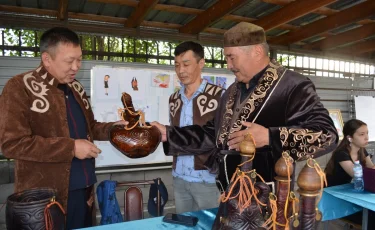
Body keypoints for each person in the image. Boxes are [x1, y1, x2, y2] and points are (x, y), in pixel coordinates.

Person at [152, 22, 338, 195]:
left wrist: (269, 137)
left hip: (270, 198)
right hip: (230, 194)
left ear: (257, 52)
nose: (229, 65)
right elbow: (213, 135)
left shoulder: (292, 85)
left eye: (232, 58)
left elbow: (327, 135)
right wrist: (169, 134)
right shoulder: (231, 92)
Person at [0, 27, 126, 229]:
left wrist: (114, 129)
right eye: (69, 61)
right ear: (47, 59)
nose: (76, 67)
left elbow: (90, 127)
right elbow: (12, 144)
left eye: (79, 59)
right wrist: (71, 148)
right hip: (45, 197)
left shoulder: (76, 88)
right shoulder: (20, 87)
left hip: (84, 190)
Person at [168, 41, 223, 213]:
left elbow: (219, 138)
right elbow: (175, 135)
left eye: (186, 64)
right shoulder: (174, 99)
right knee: (184, 226)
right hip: (179, 178)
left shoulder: (219, 96)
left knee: (209, 225)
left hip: (207, 179)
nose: (180, 70)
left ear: (201, 63)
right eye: (177, 65)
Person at [325, 119, 374, 229]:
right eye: (362, 134)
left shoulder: (362, 150)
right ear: (349, 137)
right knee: (372, 215)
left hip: (352, 192)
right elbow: (357, 175)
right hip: (336, 197)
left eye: (367, 133)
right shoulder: (341, 154)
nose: (366, 137)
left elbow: (371, 169)